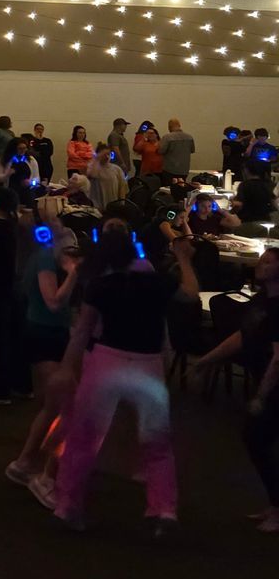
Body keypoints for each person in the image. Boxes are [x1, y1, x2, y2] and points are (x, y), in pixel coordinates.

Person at [52, 220, 198, 532]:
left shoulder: (101, 286)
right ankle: (164, 508)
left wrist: (66, 368)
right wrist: (184, 260)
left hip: (107, 361)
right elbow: (191, 294)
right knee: (157, 441)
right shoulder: (158, 283)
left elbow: (82, 332)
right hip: (148, 365)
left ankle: (67, 504)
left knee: (83, 438)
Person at [193, 247, 279, 532]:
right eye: (262, 259)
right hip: (265, 381)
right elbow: (242, 336)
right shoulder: (262, 300)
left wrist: (261, 395)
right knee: (259, 442)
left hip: (274, 385)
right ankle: (274, 506)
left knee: (257, 440)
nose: (260, 264)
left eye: (268, 261)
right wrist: (207, 360)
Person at [8, 225, 82, 505]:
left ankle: (25, 463)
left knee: (54, 406)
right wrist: (74, 273)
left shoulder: (51, 258)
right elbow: (52, 301)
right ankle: (42, 472)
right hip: (41, 334)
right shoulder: (45, 260)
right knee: (65, 405)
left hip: (54, 334)